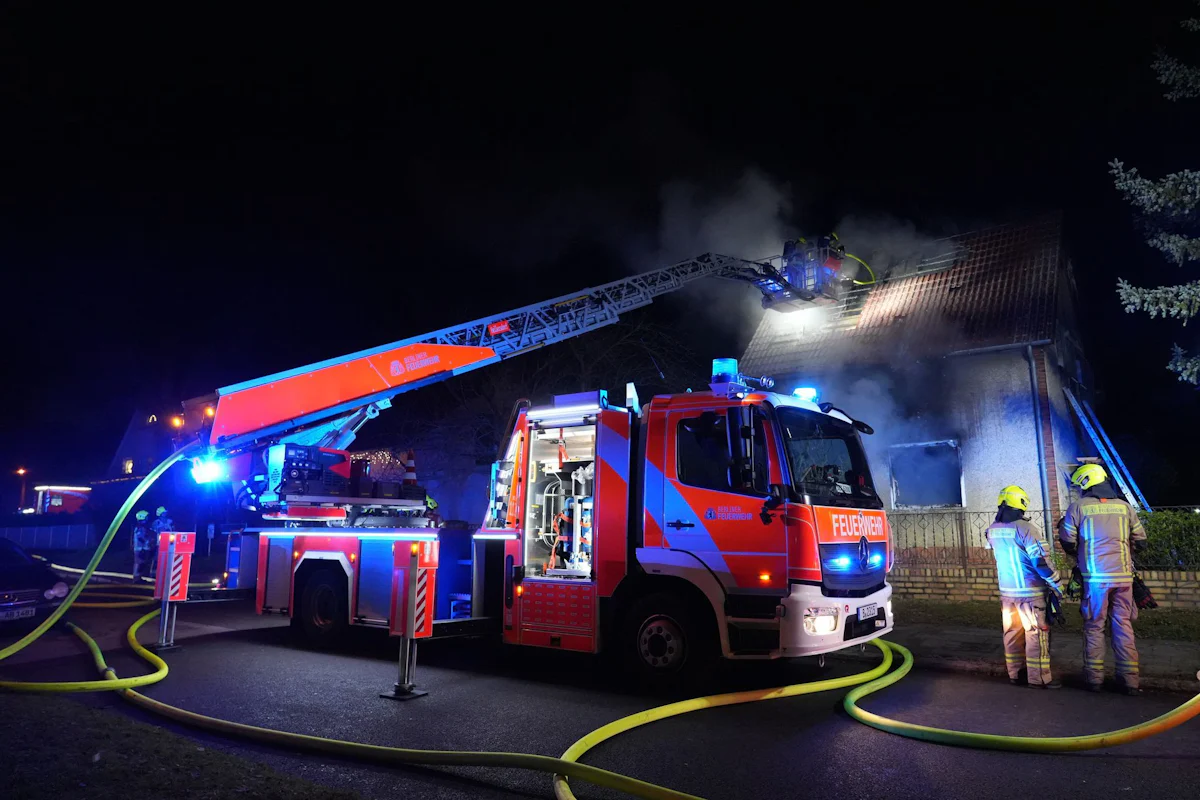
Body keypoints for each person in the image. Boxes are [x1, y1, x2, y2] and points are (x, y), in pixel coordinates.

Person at [1059, 464, 1147, 695]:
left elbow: (1067, 541)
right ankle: (1130, 681)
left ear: (1086, 482)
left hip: (1095, 579)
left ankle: (1094, 679)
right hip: (1124, 579)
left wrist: (1080, 554)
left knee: (1094, 626)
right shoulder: (1125, 507)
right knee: (1123, 625)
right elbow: (1141, 541)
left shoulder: (1078, 507)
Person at [985, 485, 1065, 688]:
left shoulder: (992, 530)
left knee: (1012, 634)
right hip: (1031, 594)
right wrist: (1057, 584)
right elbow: (1041, 562)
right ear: (1021, 504)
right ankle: (1039, 679)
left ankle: (1015, 674)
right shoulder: (1026, 528)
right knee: (1036, 635)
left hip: (1007, 594)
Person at [150, 506, 174, 578]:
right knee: (156, 558)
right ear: (160, 514)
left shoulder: (170, 521)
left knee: (168, 559)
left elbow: (174, 530)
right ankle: (153, 573)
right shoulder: (156, 522)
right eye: (164, 513)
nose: (165, 514)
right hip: (159, 543)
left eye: (165, 512)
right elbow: (152, 533)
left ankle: (166, 573)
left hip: (169, 543)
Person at [131, 510, 153, 582]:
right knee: (139, 563)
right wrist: (147, 541)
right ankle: (136, 578)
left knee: (141, 563)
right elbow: (140, 538)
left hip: (142, 548)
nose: (148, 518)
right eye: (146, 516)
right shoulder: (140, 527)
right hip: (140, 548)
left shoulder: (142, 526)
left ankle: (138, 577)